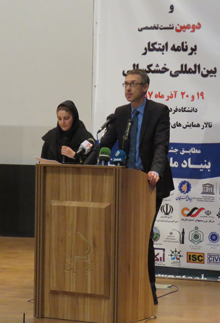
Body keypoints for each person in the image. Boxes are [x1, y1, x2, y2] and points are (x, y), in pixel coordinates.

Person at [100, 69, 174, 305]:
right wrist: (82, 161)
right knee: (122, 236)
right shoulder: (121, 113)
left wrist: (155, 170)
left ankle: (148, 291)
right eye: (125, 84)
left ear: (145, 87)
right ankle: (124, 287)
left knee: (143, 236)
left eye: (133, 84)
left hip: (149, 184)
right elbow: (105, 144)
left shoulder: (159, 111)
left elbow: (161, 145)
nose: (128, 88)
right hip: (125, 184)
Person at [41, 100, 97, 164]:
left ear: (74, 117)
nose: (62, 122)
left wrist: (75, 155)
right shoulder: (51, 136)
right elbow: (42, 161)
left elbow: (92, 163)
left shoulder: (85, 138)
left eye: (66, 118)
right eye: (59, 119)